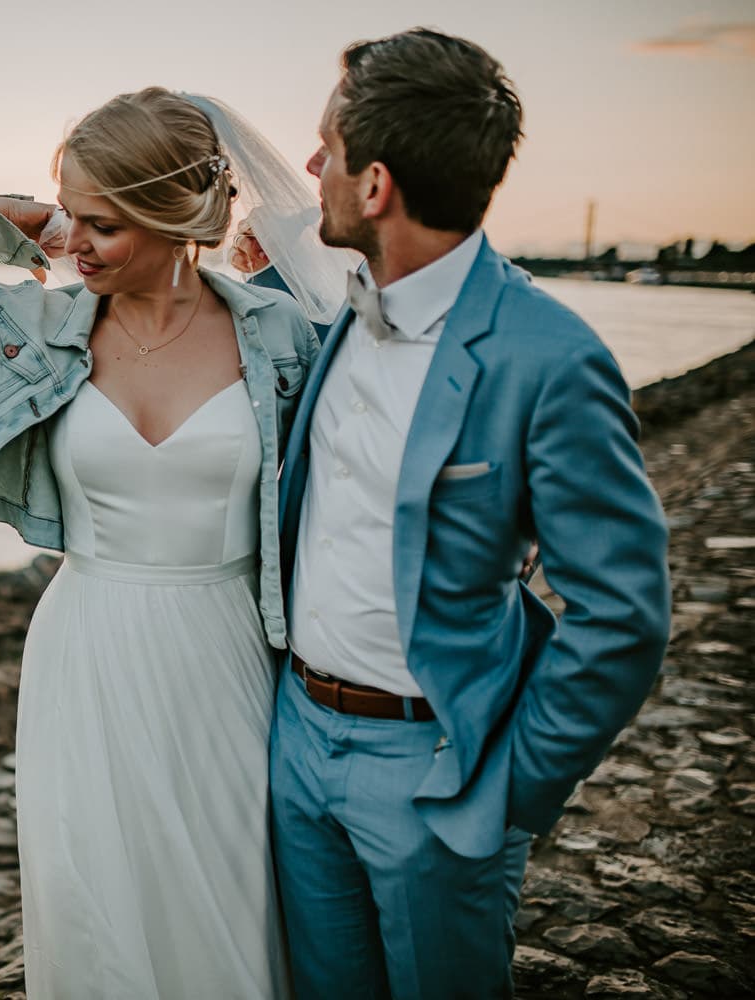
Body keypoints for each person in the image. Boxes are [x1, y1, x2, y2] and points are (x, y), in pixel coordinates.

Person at [0, 87, 346, 998]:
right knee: (95, 897)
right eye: (70, 217)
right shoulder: (33, 328)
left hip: (229, 650)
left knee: (230, 890)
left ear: (175, 218)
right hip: (86, 645)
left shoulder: (283, 336)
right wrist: (8, 222)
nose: (74, 246)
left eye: (103, 225)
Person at [271, 28, 672, 999]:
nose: (311, 167)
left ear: (375, 187)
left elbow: (623, 613)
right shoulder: (344, 312)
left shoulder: (549, 357)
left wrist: (505, 798)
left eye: (327, 149)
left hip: (434, 772)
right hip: (295, 743)